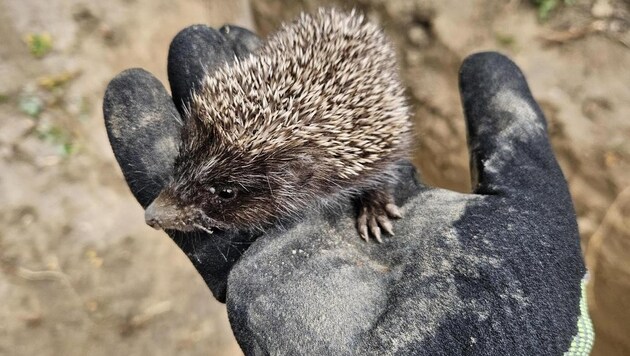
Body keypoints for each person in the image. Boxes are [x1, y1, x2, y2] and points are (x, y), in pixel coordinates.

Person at [103, 23, 591, 355]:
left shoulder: (346, 161)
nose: (159, 210)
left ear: (299, 177)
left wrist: (376, 198)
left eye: (224, 194)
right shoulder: (267, 162)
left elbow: (383, 161)